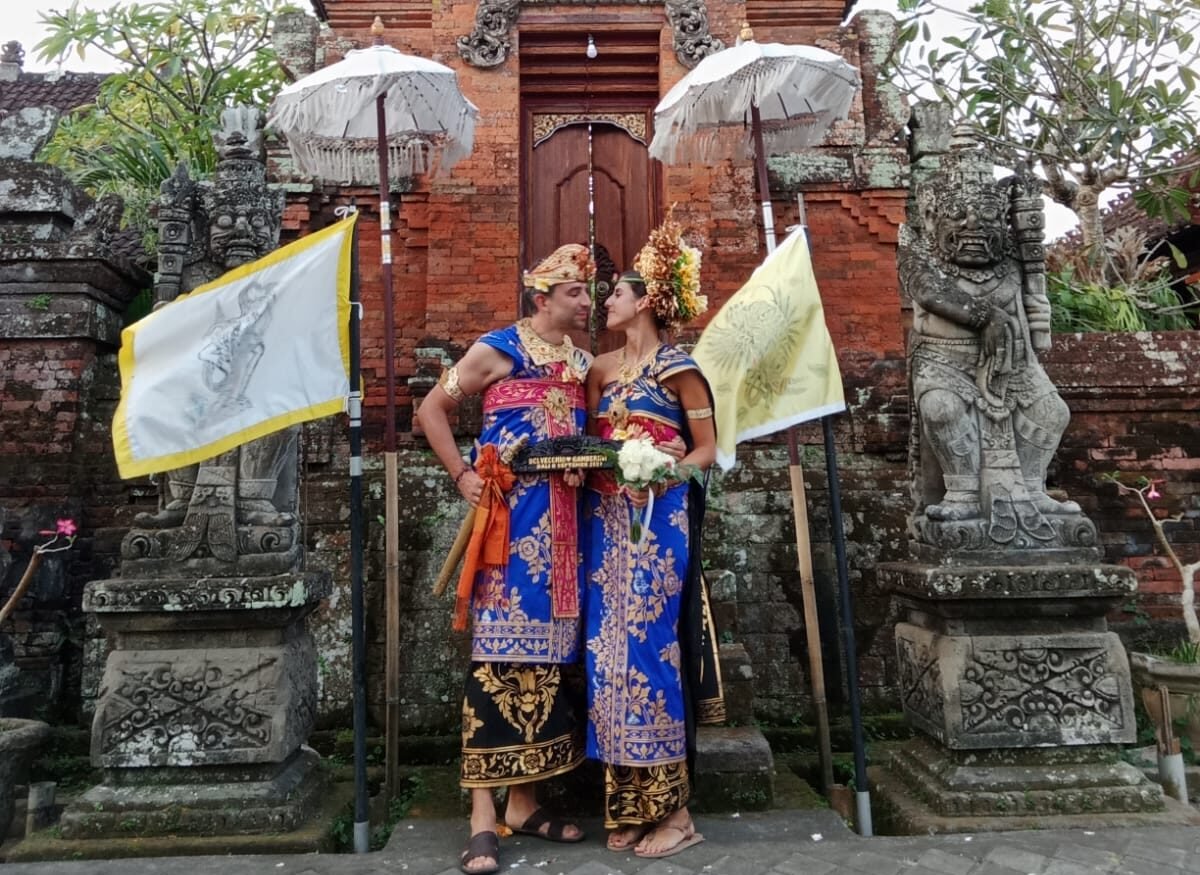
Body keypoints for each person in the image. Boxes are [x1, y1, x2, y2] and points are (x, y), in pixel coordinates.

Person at [416, 244, 595, 875]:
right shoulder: (496, 349)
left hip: (569, 534)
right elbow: (430, 410)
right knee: (497, 657)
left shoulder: (584, 364)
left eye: (588, 291)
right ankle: (481, 818)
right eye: (575, 291)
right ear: (542, 296)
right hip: (507, 533)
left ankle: (525, 803)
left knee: (550, 663)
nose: (586, 301)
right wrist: (462, 473)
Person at [583, 217, 718, 859]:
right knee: (606, 653)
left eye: (615, 293)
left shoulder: (679, 368)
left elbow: (708, 448)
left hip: (660, 520)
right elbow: (591, 441)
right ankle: (632, 804)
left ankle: (678, 811)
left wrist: (665, 469)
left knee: (650, 650)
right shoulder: (602, 370)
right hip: (607, 522)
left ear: (645, 302)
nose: (606, 301)